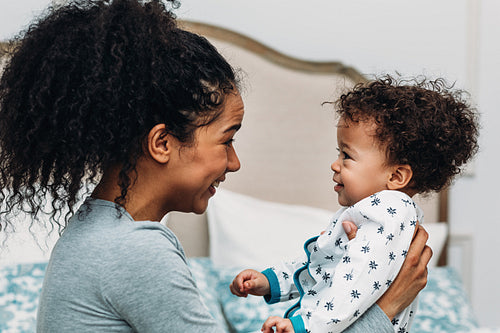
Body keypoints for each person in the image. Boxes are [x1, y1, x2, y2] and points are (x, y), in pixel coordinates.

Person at [0, 0, 431, 332]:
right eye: (227, 139)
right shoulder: (134, 250)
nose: (235, 162)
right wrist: (387, 308)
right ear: (163, 143)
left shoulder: (99, 230)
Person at [230, 76, 479, 333]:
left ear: (396, 176)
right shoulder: (375, 213)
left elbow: (355, 281)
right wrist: (272, 281)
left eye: (347, 155)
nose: (335, 164)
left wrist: (305, 326)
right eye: (338, 153)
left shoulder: (390, 211)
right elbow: (325, 266)